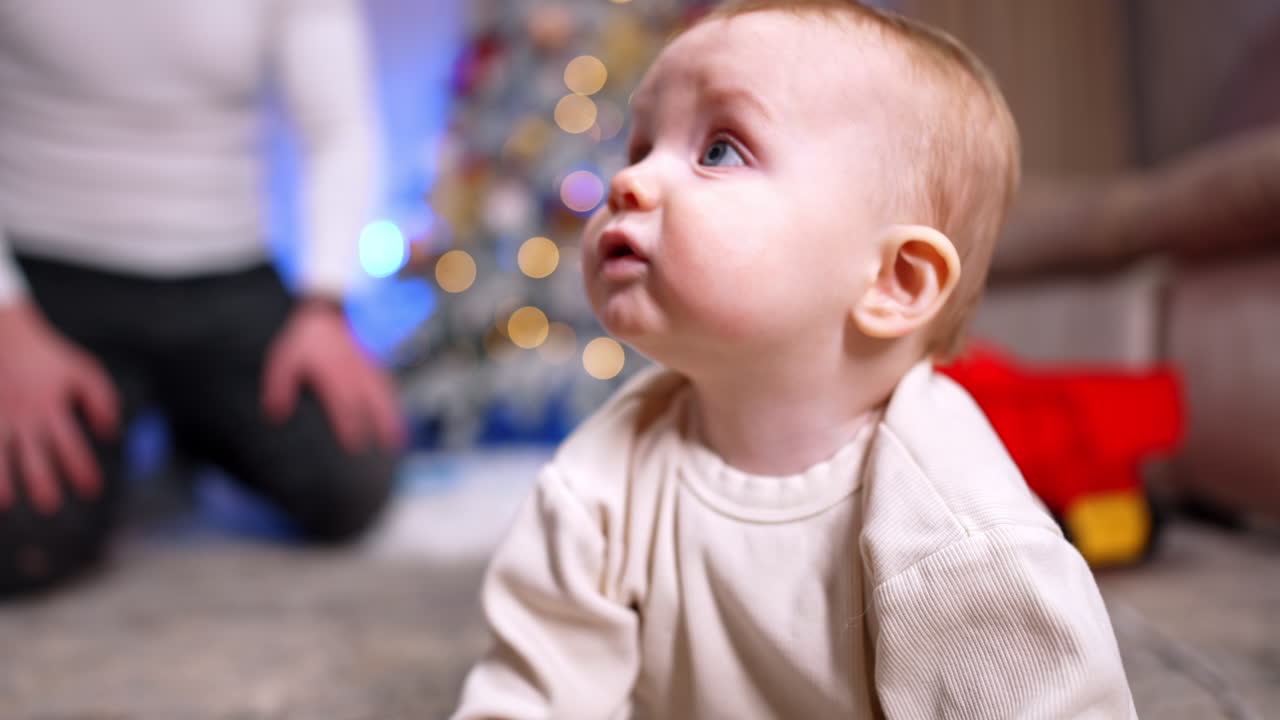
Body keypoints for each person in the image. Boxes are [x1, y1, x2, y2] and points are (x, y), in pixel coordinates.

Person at [450, 1, 1137, 718]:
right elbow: (534, 693)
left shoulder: (955, 521)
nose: (629, 182)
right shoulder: (599, 481)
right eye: (639, 147)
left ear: (892, 282)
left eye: (719, 149)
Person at [0, 0, 405, 597]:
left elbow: (340, 132)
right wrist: (8, 323)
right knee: (24, 535)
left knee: (352, 481)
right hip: (46, 281)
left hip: (228, 270)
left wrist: (324, 308)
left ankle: (197, 421)